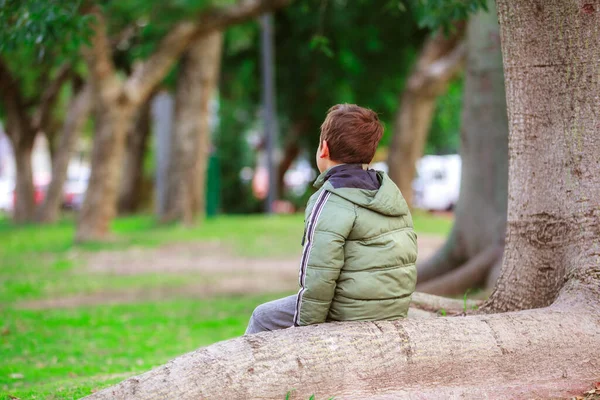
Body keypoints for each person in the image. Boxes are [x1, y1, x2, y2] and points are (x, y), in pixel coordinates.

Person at [245, 104, 417, 334]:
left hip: (350, 314)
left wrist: (306, 331)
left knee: (262, 316)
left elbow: (318, 275)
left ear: (323, 149)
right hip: (392, 308)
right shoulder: (389, 193)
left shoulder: (330, 198)